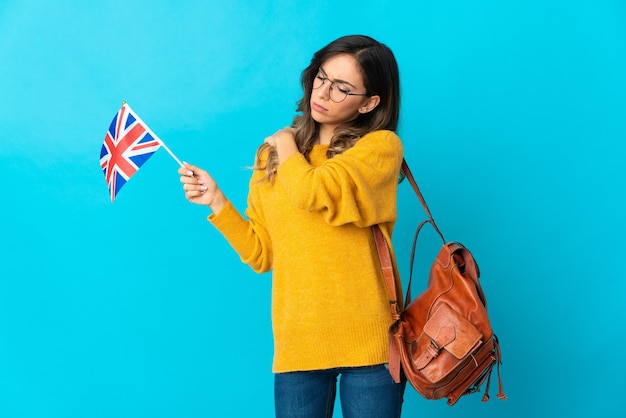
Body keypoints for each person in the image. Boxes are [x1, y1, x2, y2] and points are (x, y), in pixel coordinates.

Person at [179, 34, 406, 418]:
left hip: (370, 342)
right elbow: (262, 253)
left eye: (342, 88)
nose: (323, 92)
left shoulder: (378, 149)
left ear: (369, 102)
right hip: (298, 343)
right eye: (321, 77)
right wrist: (217, 202)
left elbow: (312, 191)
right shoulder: (271, 156)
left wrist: (286, 143)